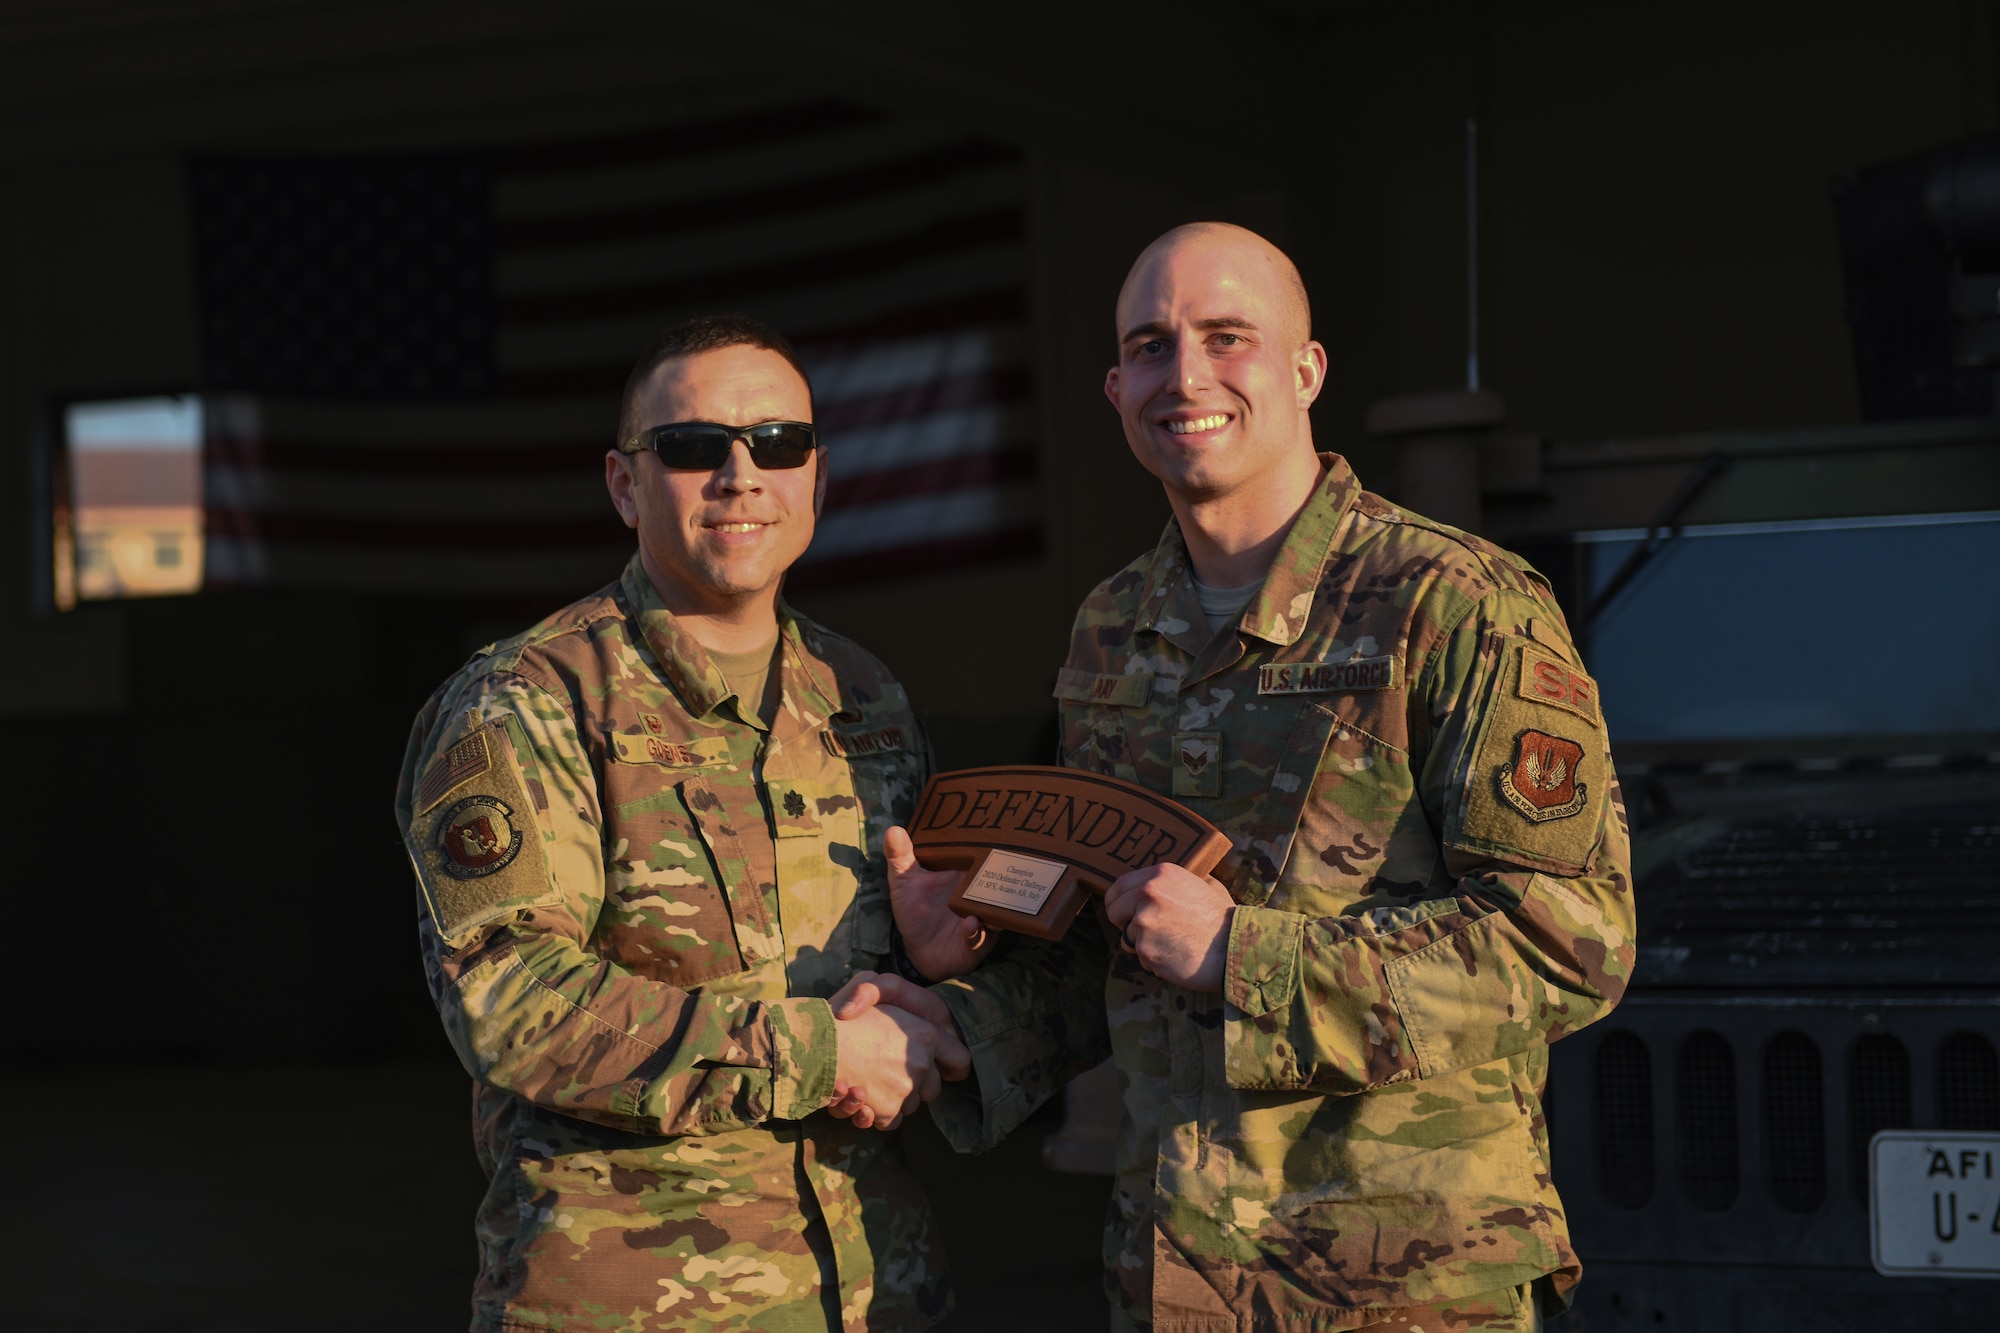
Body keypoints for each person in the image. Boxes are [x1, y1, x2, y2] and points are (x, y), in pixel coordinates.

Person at [865, 223, 1636, 1331]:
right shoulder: (1112, 626)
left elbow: (1571, 936)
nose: (1185, 376)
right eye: (1150, 345)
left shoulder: (1451, 601)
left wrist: (1245, 955)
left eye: (1227, 337)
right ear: (1114, 386)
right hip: (1172, 1273)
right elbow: (1117, 951)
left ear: (1304, 369)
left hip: (1403, 1285)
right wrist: (960, 988)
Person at [394, 313, 968, 1332]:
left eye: (777, 445)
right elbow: (511, 1002)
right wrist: (815, 1055)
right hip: (625, 1302)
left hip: (869, 1291)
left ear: (817, 480)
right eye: (694, 447)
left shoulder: (862, 698)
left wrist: (935, 966)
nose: (741, 476)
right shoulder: (523, 701)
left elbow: (902, 1002)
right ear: (625, 485)